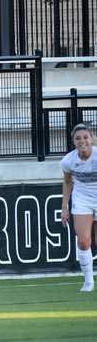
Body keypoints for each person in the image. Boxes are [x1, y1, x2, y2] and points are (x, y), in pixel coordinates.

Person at [60, 123, 97, 292]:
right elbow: (67, 183)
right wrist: (64, 208)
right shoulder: (68, 160)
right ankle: (88, 281)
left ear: (91, 139)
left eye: (85, 137)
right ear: (73, 141)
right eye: (78, 138)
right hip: (82, 199)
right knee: (83, 241)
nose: (82, 141)